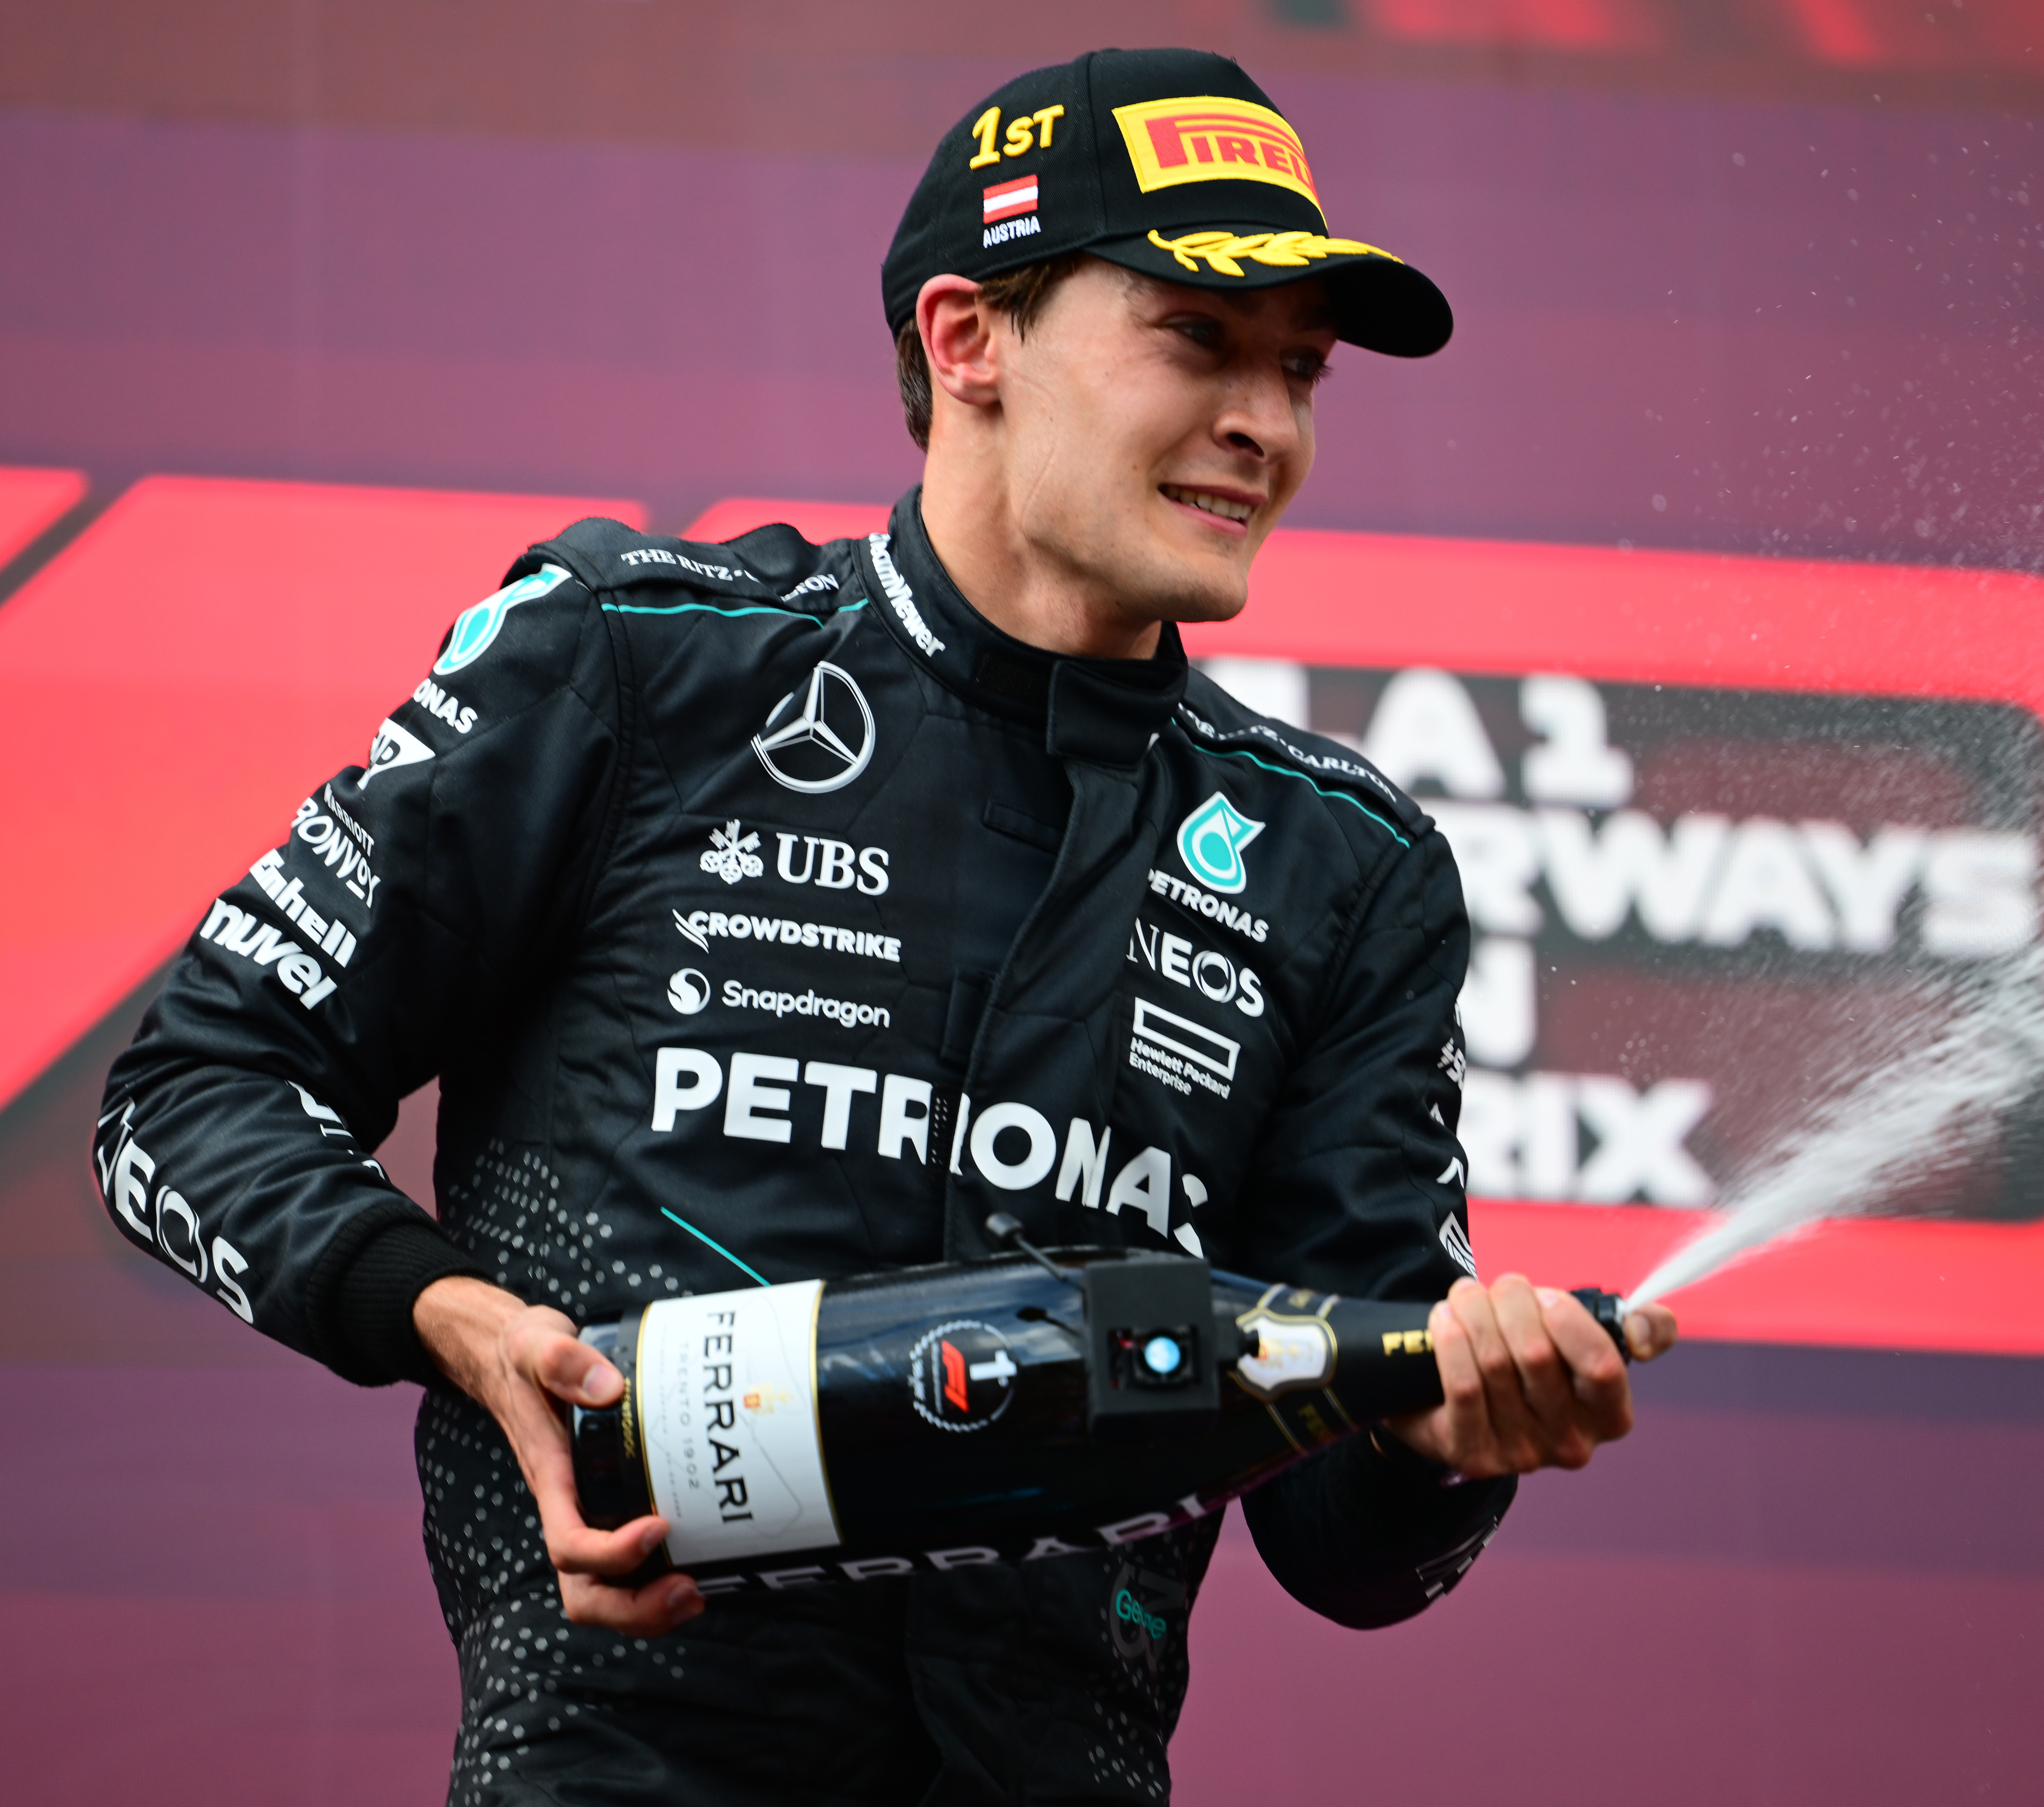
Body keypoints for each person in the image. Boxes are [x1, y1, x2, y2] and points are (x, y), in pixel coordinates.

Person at [97, 46, 1676, 1806]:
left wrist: (1456, 1443)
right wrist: (443, 1315)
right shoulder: (643, 662)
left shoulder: (1345, 865)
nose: (1271, 426)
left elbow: (1347, 1548)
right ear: (965, 338)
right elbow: (191, 1087)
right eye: (1200, 342)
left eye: (1299, 372)